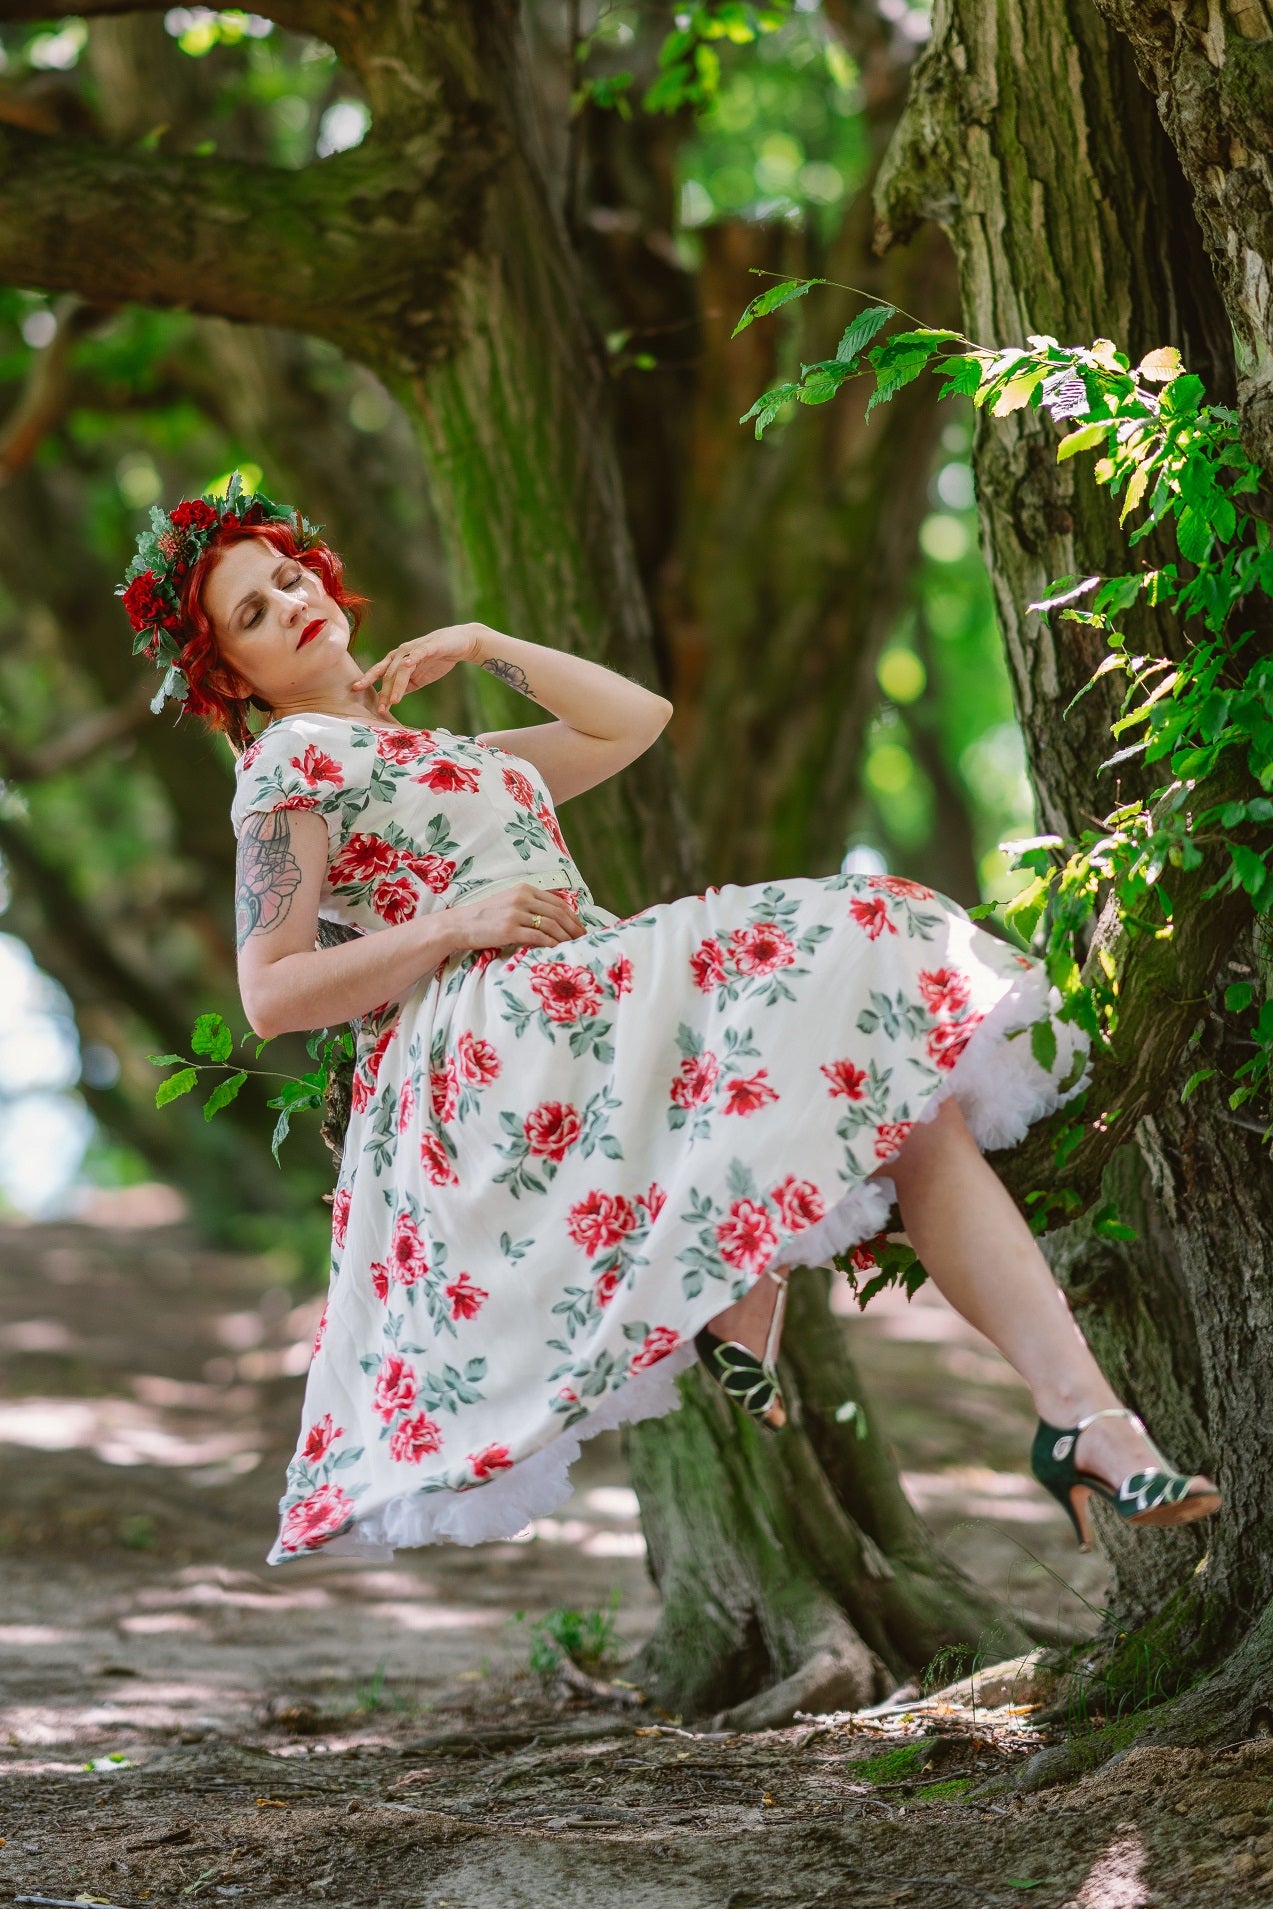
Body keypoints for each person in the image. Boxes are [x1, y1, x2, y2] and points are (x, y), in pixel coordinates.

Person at [119, 475, 1220, 1564]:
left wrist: (479, 638)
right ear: (231, 674)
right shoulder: (284, 766)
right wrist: (457, 923)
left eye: (289, 573)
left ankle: (1084, 1419)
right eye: (253, 613)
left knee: (902, 1101)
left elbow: (633, 721)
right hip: (498, 1027)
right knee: (855, 929)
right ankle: (738, 1276)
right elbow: (268, 992)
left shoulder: (440, 753)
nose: (291, 599)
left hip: (575, 992)